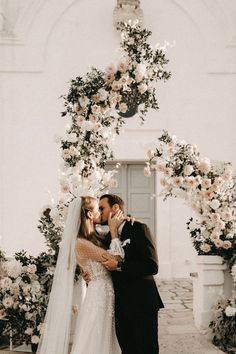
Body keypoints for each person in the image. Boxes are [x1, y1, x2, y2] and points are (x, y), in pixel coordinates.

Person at [37, 196, 123, 354]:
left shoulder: (94, 238)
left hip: (105, 293)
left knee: (106, 337)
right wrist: (114, 232)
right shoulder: (81, 243)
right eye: (98, 209)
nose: (101, 212)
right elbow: (116, 259)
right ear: (90, 214)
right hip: (99, 296)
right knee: (95, 337)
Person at [99, 194, 164, 354]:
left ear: (115, 208)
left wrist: (120, 266)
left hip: (142, 301)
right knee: (127, 349)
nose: (99, 212)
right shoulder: (108, 237)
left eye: (102, 208)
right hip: (121, 303)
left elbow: (152, 266)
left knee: (146, 349)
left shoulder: (139, 228)